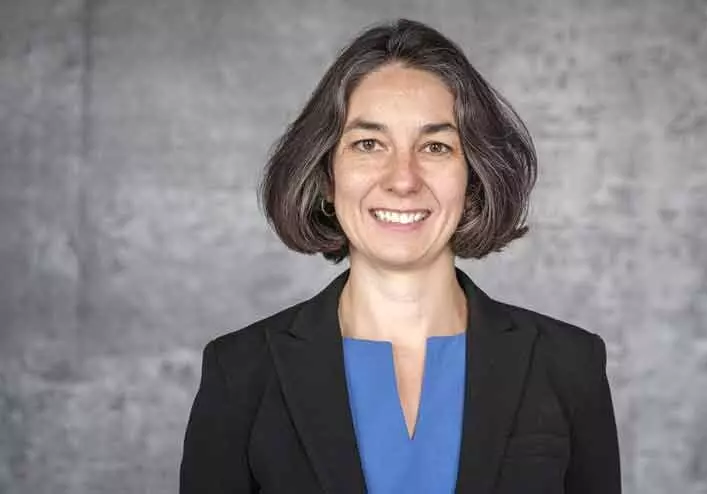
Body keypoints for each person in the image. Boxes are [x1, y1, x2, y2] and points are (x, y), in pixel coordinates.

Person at [180, 18, 621, 494]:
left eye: (435, 146)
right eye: (369, 144)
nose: (403, 179)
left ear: (473, 178)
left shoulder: (568, 366)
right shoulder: (240, 374)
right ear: (327, 175)